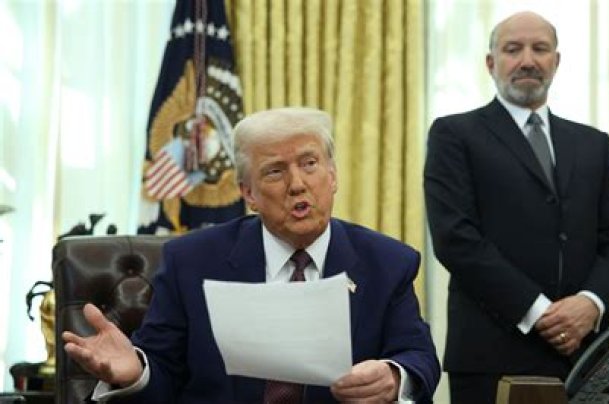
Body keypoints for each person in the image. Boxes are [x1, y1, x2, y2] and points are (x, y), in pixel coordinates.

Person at [63, 107, 440, 403]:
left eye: (309, 164)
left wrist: (394, 376)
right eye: (275, 172)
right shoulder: (191, 262)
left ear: (333, 175)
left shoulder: (387, 262)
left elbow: (418, 356)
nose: (297, 184)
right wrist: (136, 372)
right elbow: (163, 368)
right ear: (248, 194)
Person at [423, 11, 609, 404]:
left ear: (556, 61)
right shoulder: (454, 134)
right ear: (491, 63)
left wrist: (590, 304)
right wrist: (539, 313)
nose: (527, 60)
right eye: (512, 49)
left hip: (584, 355)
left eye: (540, 49)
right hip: (491, 355)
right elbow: (455, 238)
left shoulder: (594, 144)